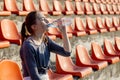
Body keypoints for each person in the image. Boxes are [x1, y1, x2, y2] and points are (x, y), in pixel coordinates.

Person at [20, 11, 71, 80]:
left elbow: (67, 52)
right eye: (43, 19)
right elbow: (34, 76)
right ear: (34, 26)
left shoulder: (46, 40)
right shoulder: (28, 45)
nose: (47, 20)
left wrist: (64, 32)